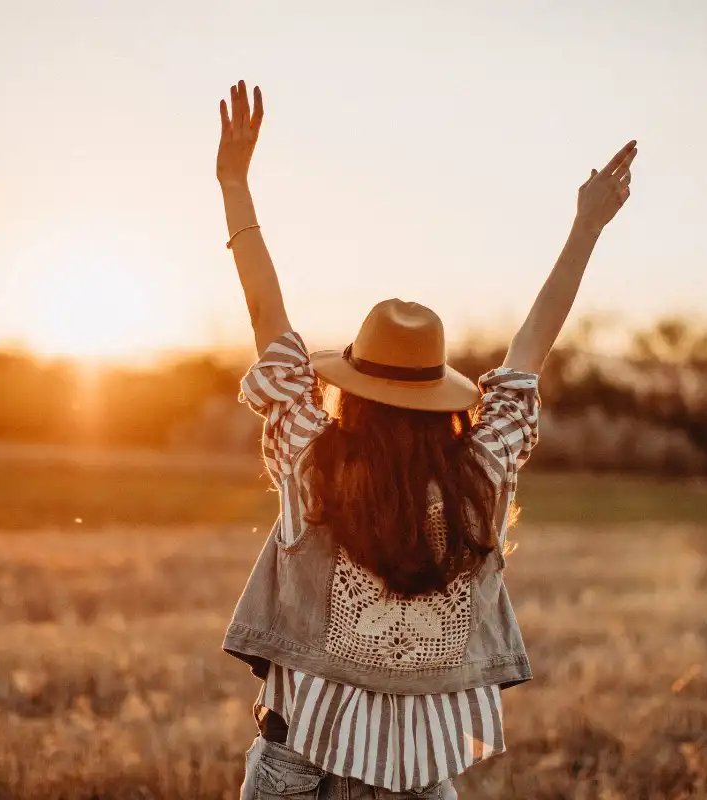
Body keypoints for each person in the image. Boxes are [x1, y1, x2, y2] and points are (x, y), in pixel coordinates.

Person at [216, 79, 635, 799]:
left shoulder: (310, 455)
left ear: (352, 386)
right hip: (419, 780)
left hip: (297, 766)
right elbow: (531, 349)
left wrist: (234, 185)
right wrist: (586, 229)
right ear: (442, 396)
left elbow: (266, 316)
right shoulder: (484, 470)